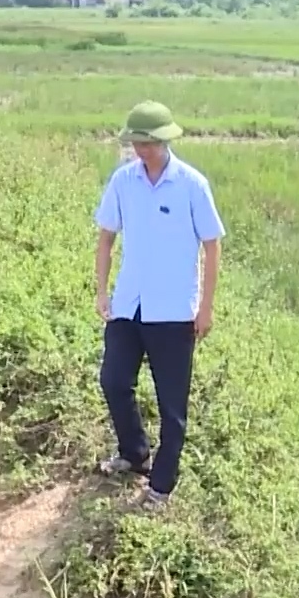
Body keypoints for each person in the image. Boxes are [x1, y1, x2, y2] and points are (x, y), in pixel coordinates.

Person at [93, 101, 224, 509]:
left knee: (172, 407)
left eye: (149, 143)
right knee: (113, 381)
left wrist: (205, 308)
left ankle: (162, 487)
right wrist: (102, 291)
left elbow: (212, 247)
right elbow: (105, 238)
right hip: (128, 305)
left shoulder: (191, 184)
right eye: (136, 142)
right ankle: (134, 453)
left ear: (166, 141)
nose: (142, 150)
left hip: (173, 313)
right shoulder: (123, 181)